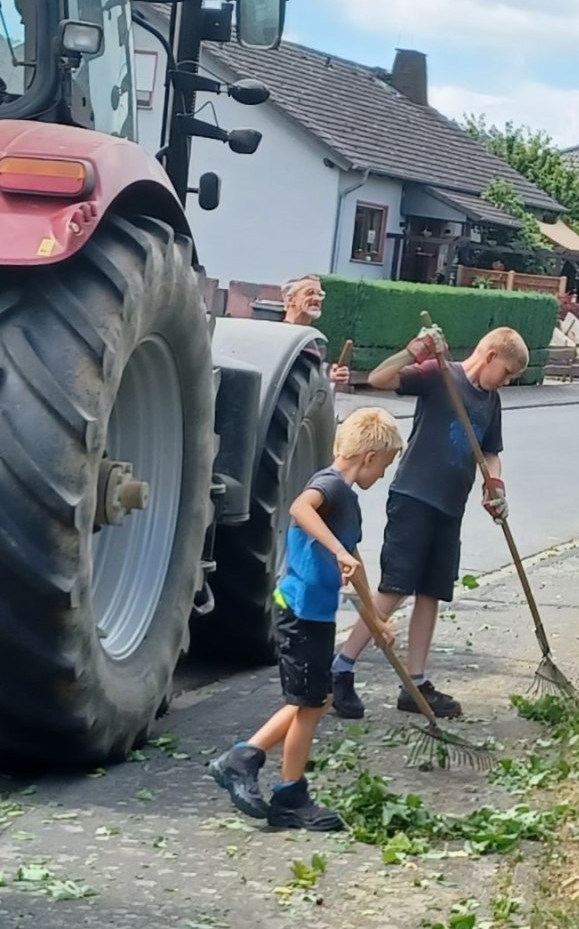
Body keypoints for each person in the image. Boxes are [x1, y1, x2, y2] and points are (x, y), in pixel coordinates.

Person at [206, 407, 403, 830]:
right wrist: (337, 549)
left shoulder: (347, 502)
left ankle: (259, 772)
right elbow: (300, 509)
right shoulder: (329, 485)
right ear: (369, 458)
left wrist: (375, 618)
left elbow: (356, 566)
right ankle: (275, 783)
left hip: (315, 614)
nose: (383, 475)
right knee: (310, 703)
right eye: (384, 466)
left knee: (315, 700)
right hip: (298, 612)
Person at [328, 325, 527, 720]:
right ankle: (341, 668)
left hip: (449, 508)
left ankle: (414, 683)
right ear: (489, 357)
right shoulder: (440, 376)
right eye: (505, 372)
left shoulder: (491, 401)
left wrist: (495, 485)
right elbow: (380, 379)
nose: (505, 382)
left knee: (431, 592)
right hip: (414, 498)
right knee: (395, 586)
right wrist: (413, 350)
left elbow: (489, 452)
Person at [282, 275, 350, 387]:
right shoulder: (282, 336)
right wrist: (324, 378)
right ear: (291, 300)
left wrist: (331, 375)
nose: (317, 299)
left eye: (320, 294)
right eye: (310, 293)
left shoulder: (316, 340)